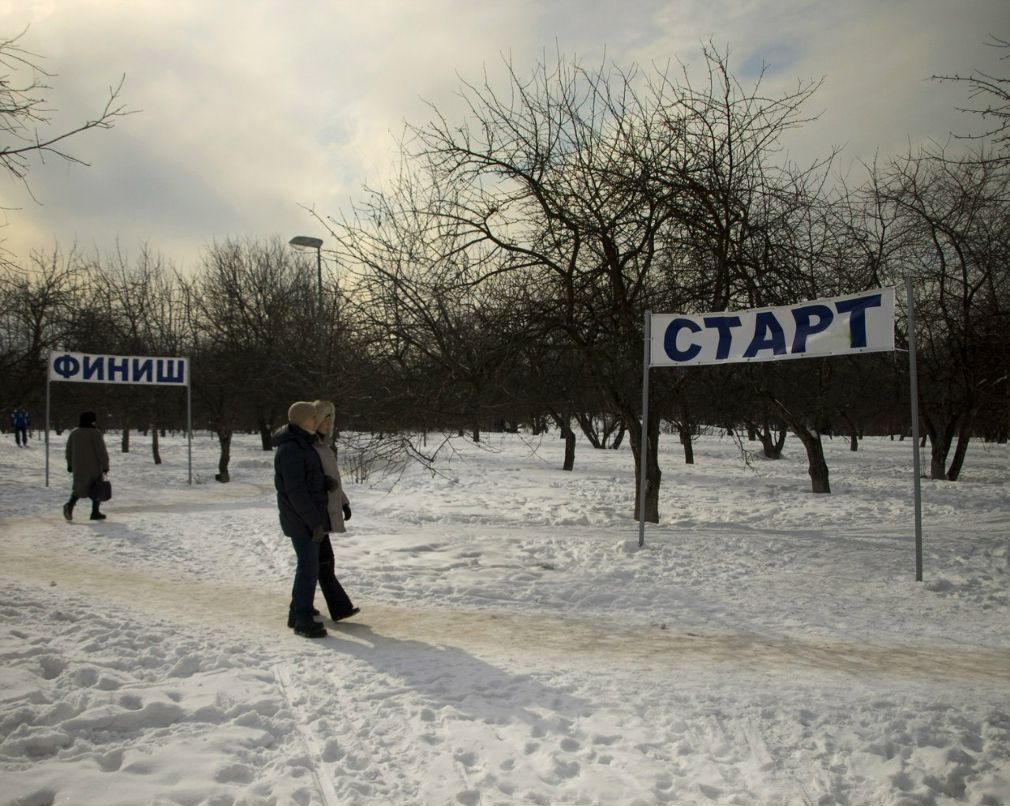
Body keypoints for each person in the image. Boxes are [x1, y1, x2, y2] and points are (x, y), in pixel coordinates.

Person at [272, 401, 331, 638]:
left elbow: (305, 479)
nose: (316, 419)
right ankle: (303, 620)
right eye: (313, 416)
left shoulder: (302, 442)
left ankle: (297, 612)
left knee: (308, 567)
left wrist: (324, 483)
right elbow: (295, 491)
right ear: (303, 419)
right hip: (301, 519)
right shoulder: (292, 448)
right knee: (308, 568)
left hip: (305, 517)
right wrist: (313, 522)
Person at [311, 399, 359, 622]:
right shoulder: (310, 448)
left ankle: (307, 606)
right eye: (325, 418)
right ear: (316, 420)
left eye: (332, 419)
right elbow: (311, 481)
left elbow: (334, 481)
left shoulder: (325, 447)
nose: (329, 424)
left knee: (320, 562)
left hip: (324, 512)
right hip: (312, 515)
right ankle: (337, 607)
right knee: (320, 562)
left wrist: (343, 502)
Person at [63, 411, 110, 521]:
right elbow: (101, 451)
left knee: (79, 488)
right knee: (96, 487)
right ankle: (95, 512)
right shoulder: (95, 433)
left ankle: (69, 506)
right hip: (93, 466)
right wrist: (105, 465)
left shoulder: (74, 433)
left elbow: (68, 450)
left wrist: (70, 464)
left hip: (78, 466)